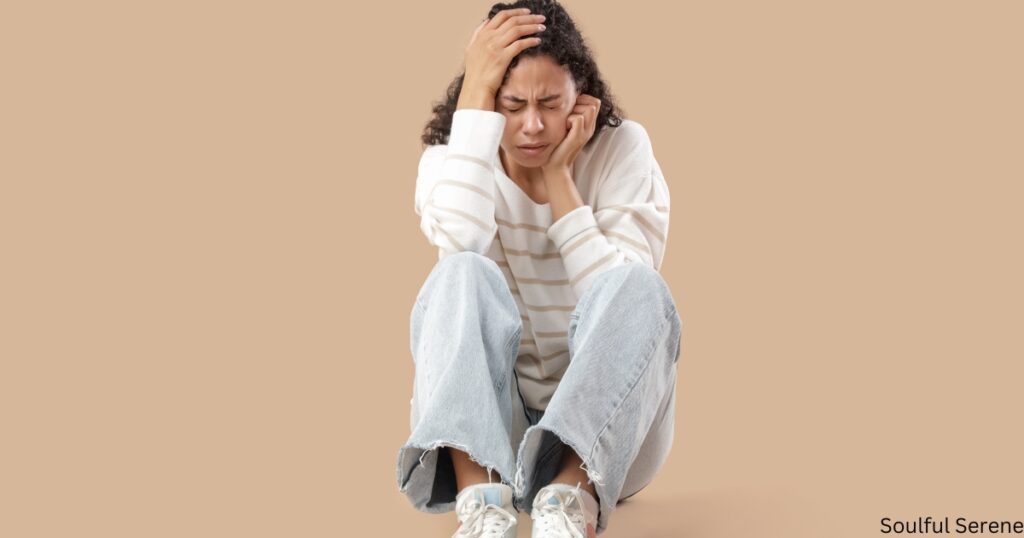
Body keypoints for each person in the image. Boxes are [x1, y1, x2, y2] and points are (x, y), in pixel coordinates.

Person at [397, 1, 682, 536]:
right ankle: (481, 504)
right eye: (510, 104)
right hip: (491, 428)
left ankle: (569, 498)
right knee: (460, 273)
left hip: (613, 435)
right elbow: (461, 241)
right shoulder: (451, 159)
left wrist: (560, 180)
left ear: (581, 95)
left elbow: (624, 306)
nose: (532, 125)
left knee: (639, 284)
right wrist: (475, 101)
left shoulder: (623, 149)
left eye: (550, 103)